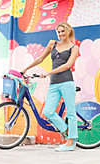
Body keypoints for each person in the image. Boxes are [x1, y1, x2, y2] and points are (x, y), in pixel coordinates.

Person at [21, 22, 79, 151]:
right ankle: (67, 130)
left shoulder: (73, 48)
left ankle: (71, 142)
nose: (60, 34)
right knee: (48, 111)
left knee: (70, 112)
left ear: (68, 31)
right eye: (58, 32)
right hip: (54, 84)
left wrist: (48, 72)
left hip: (67, 82)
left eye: (63, 31)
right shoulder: (53, 44)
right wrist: (25, 69)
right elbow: (40, 59)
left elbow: (67, 66)